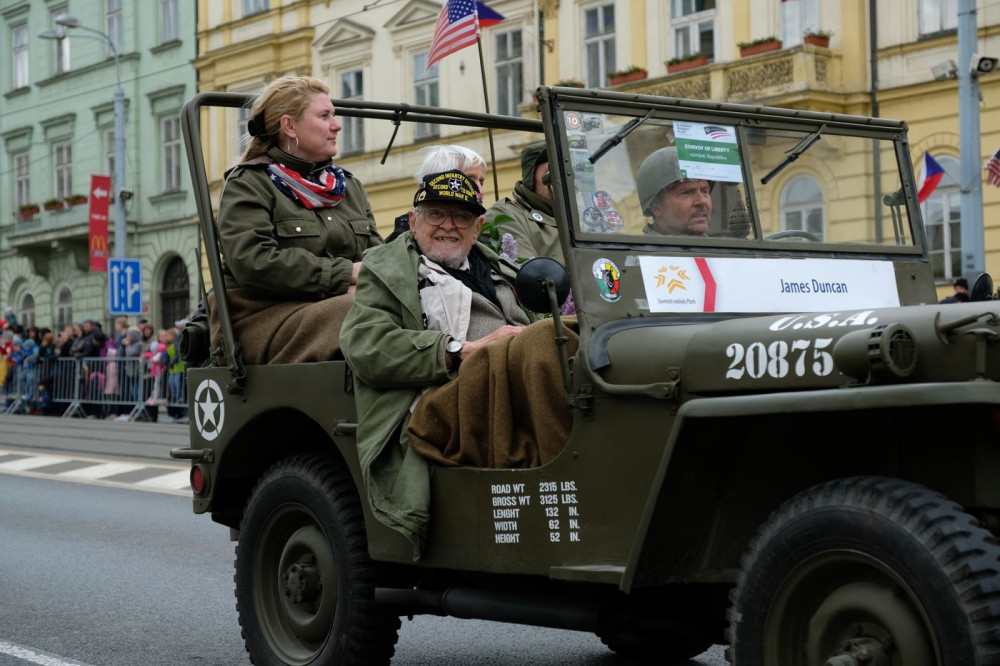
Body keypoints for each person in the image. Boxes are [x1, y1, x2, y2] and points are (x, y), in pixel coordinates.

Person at [341, 170, 579, 555]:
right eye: (436, 214)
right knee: (542, 342)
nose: (448, 226)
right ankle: (571, 473)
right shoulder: (389, 269)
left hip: (513, 382)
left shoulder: (499, 267)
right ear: (414, 219)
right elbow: (365, 345)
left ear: (478, 226)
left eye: (462, 217)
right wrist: (463, 350)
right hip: (441, 398)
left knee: (580, 332)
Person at [213, 75, 383, 364]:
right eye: (324, 115)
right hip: (265, 318)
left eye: (335, 114)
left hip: (333, 308)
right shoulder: (249, 184)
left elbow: (376, 258)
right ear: (289, 126)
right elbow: (254, 263)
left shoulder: (346, 188)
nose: (336, 124)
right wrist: (346, 276)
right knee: (365, 311)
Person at [385, 144, 487, 243]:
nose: (480, 190)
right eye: (470, 179)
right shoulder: (400, 245)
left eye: (481, 182)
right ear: (440, 180)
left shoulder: (482, 249)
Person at [483, 141, 560, 262]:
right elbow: (533, 274)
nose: (562, 178)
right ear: (531, 177)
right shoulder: (506, 215)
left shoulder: (585, 218)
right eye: (553, 171)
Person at [637, 146, 715, 236]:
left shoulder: (718, 249)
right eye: (687, 193)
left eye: (705, 191)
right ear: (656, 207)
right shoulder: (640, 249)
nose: (702, 201)